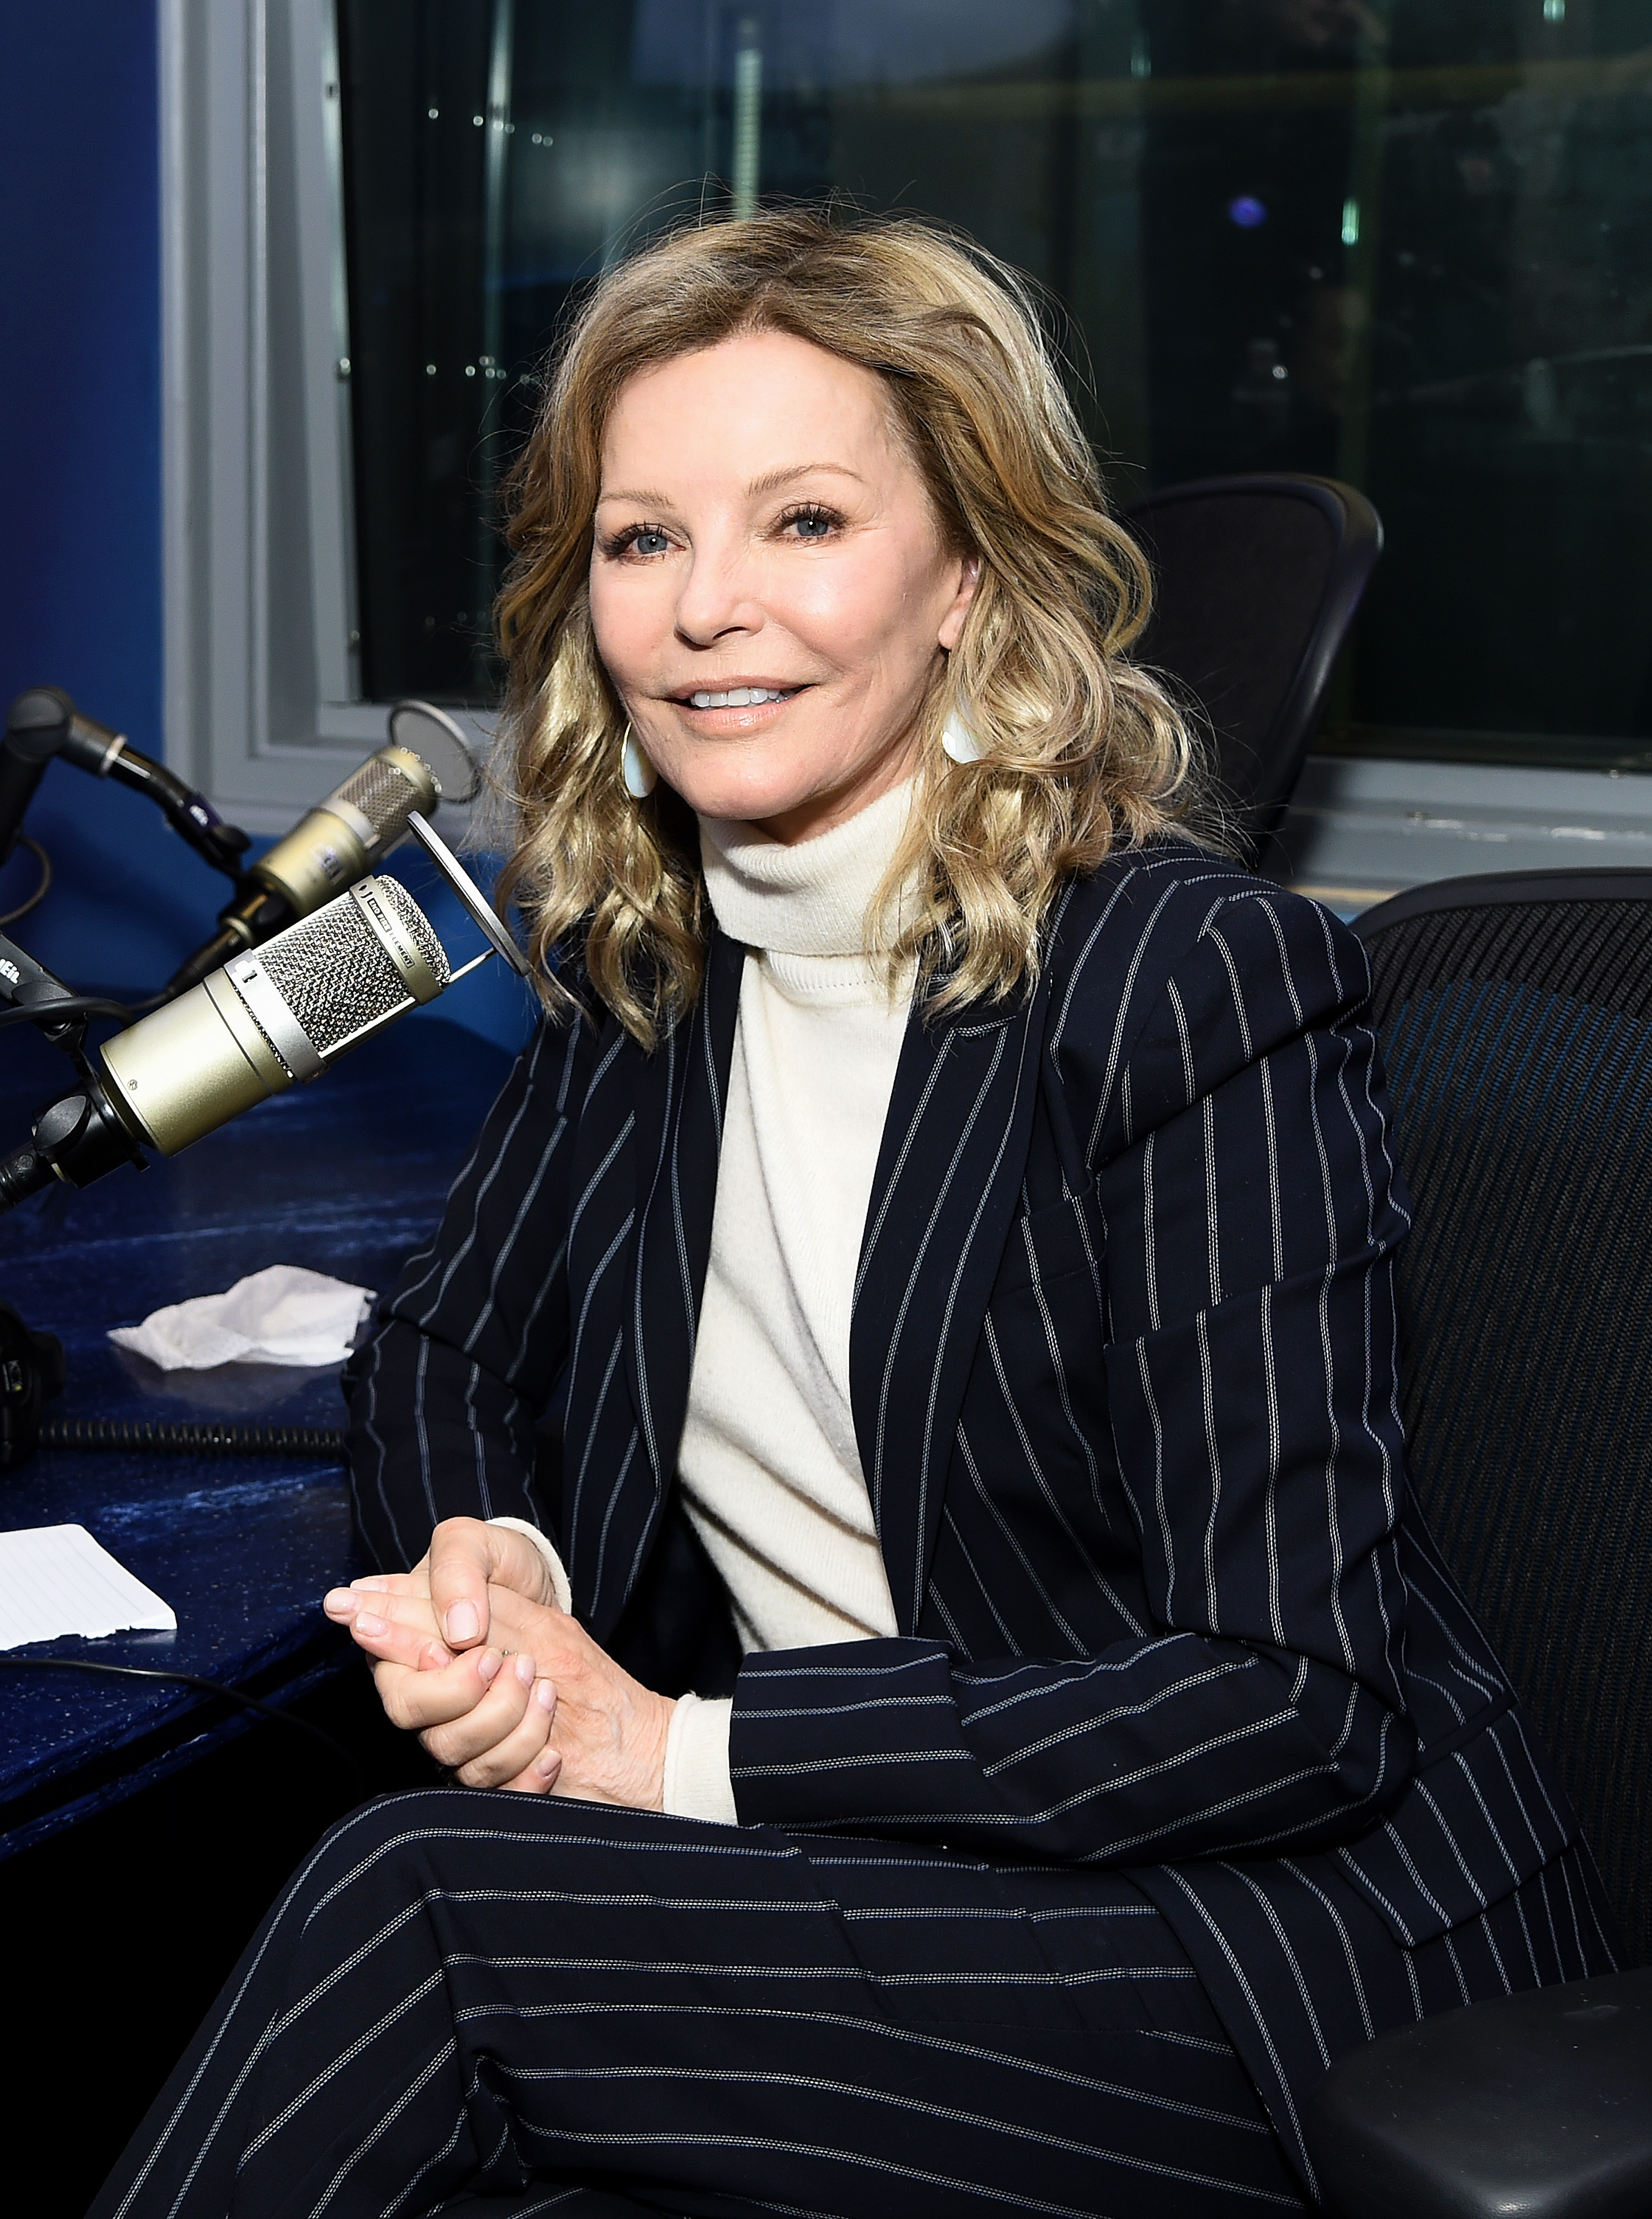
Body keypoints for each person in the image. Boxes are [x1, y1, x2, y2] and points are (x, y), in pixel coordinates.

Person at [92, 207, 1615, 2219]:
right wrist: (497, 1566)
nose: (705, 607)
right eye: (642, 538)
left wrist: (673, 1755)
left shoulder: (1184, 982)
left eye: (802, 520)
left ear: (969, 573)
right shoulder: (651, 963)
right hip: (873, 1883)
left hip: (1254, 1954)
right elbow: (444, 1347)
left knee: (428, 1913)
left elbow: (1286, 1703)